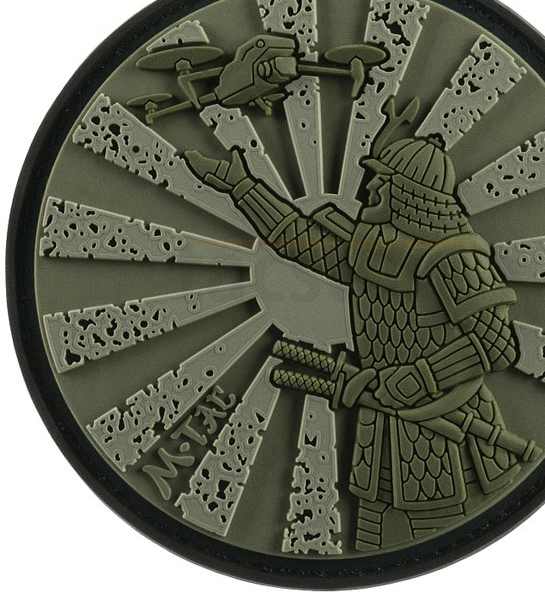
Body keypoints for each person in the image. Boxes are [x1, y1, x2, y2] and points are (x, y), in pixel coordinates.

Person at [186, 131, 522, 550]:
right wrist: (241, 187)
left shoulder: (457, 256)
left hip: (447, 433)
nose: (371, 187)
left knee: (443, 545)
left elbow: (496, 345)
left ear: (410, 194)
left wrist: (418, 378)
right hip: (380, 426)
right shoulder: (374, 248)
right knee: (374, 544)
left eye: (383, 180)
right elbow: (296, 239)